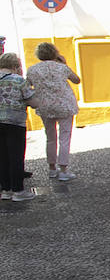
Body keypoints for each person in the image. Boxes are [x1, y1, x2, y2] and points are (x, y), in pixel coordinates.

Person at [26, 41, 81, 182]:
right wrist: (65, 64)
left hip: (44, 106)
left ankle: (51, 168)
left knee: (50, 137)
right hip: (64, 105)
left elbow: (27, 87)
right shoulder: (61, 68)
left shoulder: (32, 70)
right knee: (64, 137)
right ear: (54, 53)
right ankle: (63, 170)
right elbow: (76, 80)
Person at [0, 51, 36, 201]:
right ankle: (18, 191)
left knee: (2, 156)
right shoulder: (19, 80)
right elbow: (33, 102)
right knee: (16, 156)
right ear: (15, 66)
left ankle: (6, 190)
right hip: (15, 122)